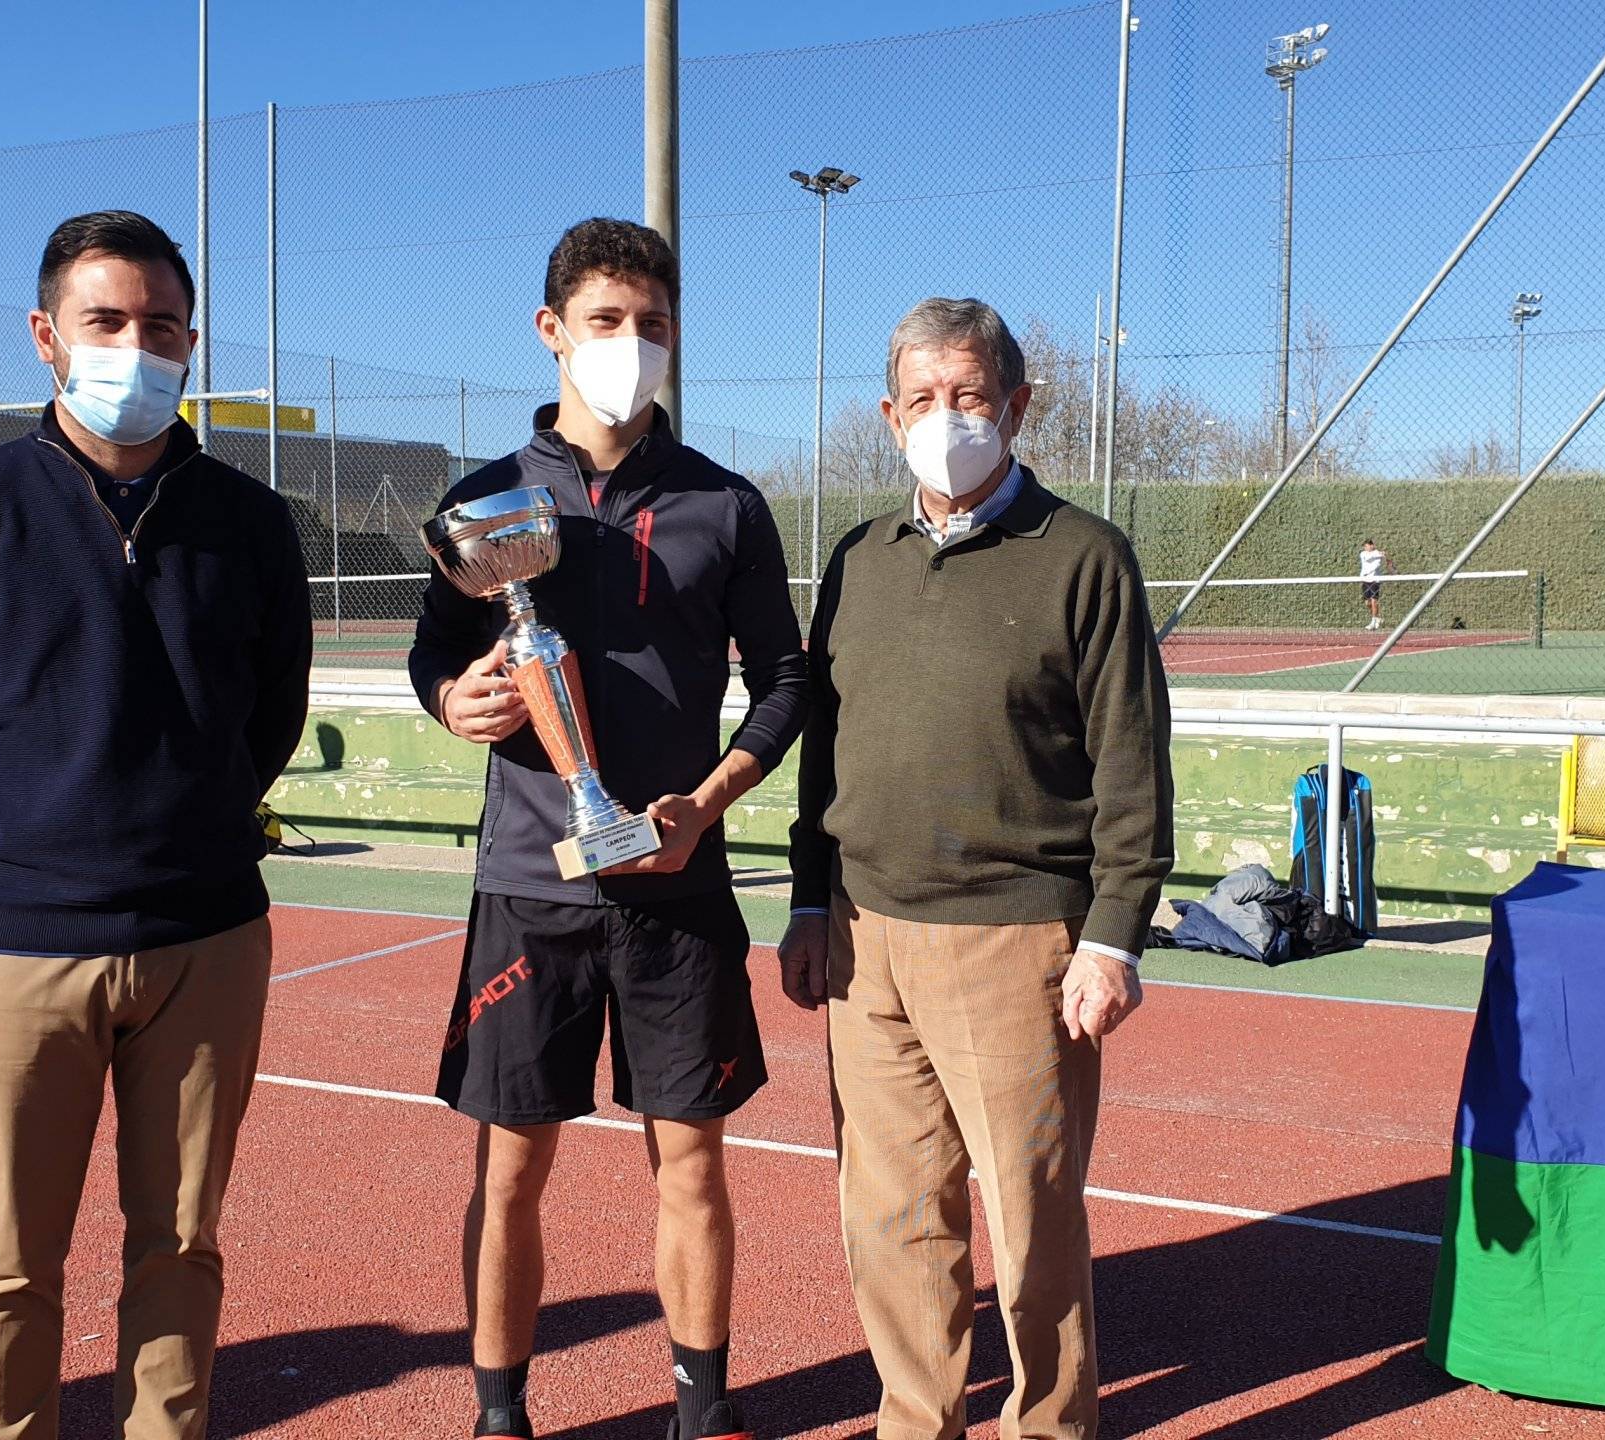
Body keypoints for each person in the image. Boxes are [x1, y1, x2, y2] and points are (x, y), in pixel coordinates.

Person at [0, 210, 311, 1440]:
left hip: (207, 939)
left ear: (192, 342)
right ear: (46, 338)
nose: (135, 345)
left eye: (160, 325)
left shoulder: (251, 521)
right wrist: (1, 853)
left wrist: (195, 822)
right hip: (19, 947)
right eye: (105, 321)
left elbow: (270, 714)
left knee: (179, 1249)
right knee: (8, 1267)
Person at [411, 217, 809, 1440]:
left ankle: (700, 1411)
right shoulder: (483, 505)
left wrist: (713, 800)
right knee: (510, 1169)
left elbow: (785, 680)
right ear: (551, 333)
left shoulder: (725, 504)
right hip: (531, 886)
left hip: (677, 889)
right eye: (603, 322)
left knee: (690, 1165)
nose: (628, 346)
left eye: (650, 326)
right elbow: (440, 655)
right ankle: (499, 1416)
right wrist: (454, 697)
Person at [778, 296, 1175, 1440]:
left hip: (1019, 944)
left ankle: (1049, 1426)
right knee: (892, 1219)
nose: (943, 418)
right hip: (863, 942)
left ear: (1015, 403)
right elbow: (828, 749)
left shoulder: (1085, 556)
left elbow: (1129, 760)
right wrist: (811, 897)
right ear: (887, 411)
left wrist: (1111, 935)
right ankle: (919, 1421)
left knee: (1033, 1224)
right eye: (920, 399)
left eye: (967, 396)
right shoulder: (858, 559)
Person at [1360, 538, 1389, 629]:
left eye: (1367, 546)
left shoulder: (1378, 554)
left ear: (1372, 545)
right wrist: (1380, 554)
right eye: (1364, 546)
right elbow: (1369, 558)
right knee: (1367, 603)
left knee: (1373, 601)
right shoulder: (1363, 554)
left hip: (1375, 580)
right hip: (1365, 580)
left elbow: (1383, 560)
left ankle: (1373, 622)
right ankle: (1377, 617)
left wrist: (1384, 556)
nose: (1365, 548)